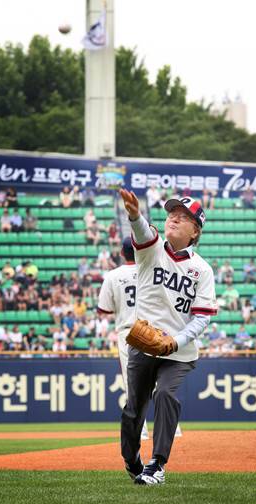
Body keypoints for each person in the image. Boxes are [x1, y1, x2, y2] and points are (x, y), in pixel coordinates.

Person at [119, 189, 217, 485]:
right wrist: (135, 215)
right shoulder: (151, 250)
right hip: (143, 346)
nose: (175, 216)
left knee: (165, 395)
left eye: (184, 215)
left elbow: (201, 317)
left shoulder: (202, 270)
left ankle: (157, 464)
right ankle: (131, 458)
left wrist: (177, 341)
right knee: (134, 409)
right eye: (172, 212)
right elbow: (142, 230)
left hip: (180, 352)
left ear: (195, 230)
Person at [97, 237, 152, 440]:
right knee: (159, 381)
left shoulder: (113, 275)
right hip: (151, 330)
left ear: (122, 253)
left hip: (128, 331)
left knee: (133, 383)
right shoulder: (150, 270)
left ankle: (142, 430)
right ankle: (173, 427)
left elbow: (104, 309)